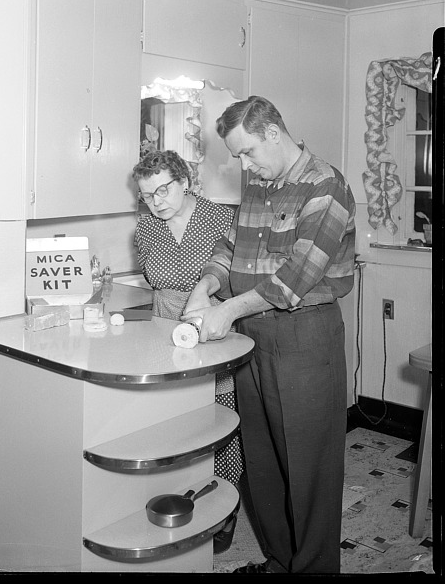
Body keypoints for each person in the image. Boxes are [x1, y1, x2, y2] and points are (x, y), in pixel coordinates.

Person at [182, 96, 356, 574]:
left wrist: (229, 310)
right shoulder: (259, 182)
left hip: (304, 336)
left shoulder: (326, 185)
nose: (243, 164)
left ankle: (314, 570)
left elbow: (295, 277)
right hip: (252, 338)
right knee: (262, 462)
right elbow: (231, 245)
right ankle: (281, 561)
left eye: (247, 152)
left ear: (274, 134)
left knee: (309, 468)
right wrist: (207, 285)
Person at [132, 149, 244, 554]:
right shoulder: (146, 228)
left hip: (213, 328)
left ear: (185, 182)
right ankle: (182, 499)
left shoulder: (220, 217)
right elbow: (153, 277)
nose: (156, 201)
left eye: (163, 190)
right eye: (146, 195)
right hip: (165, 329)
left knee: (217, 419)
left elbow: (234, 272)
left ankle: (225, 508)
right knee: (176, 420)